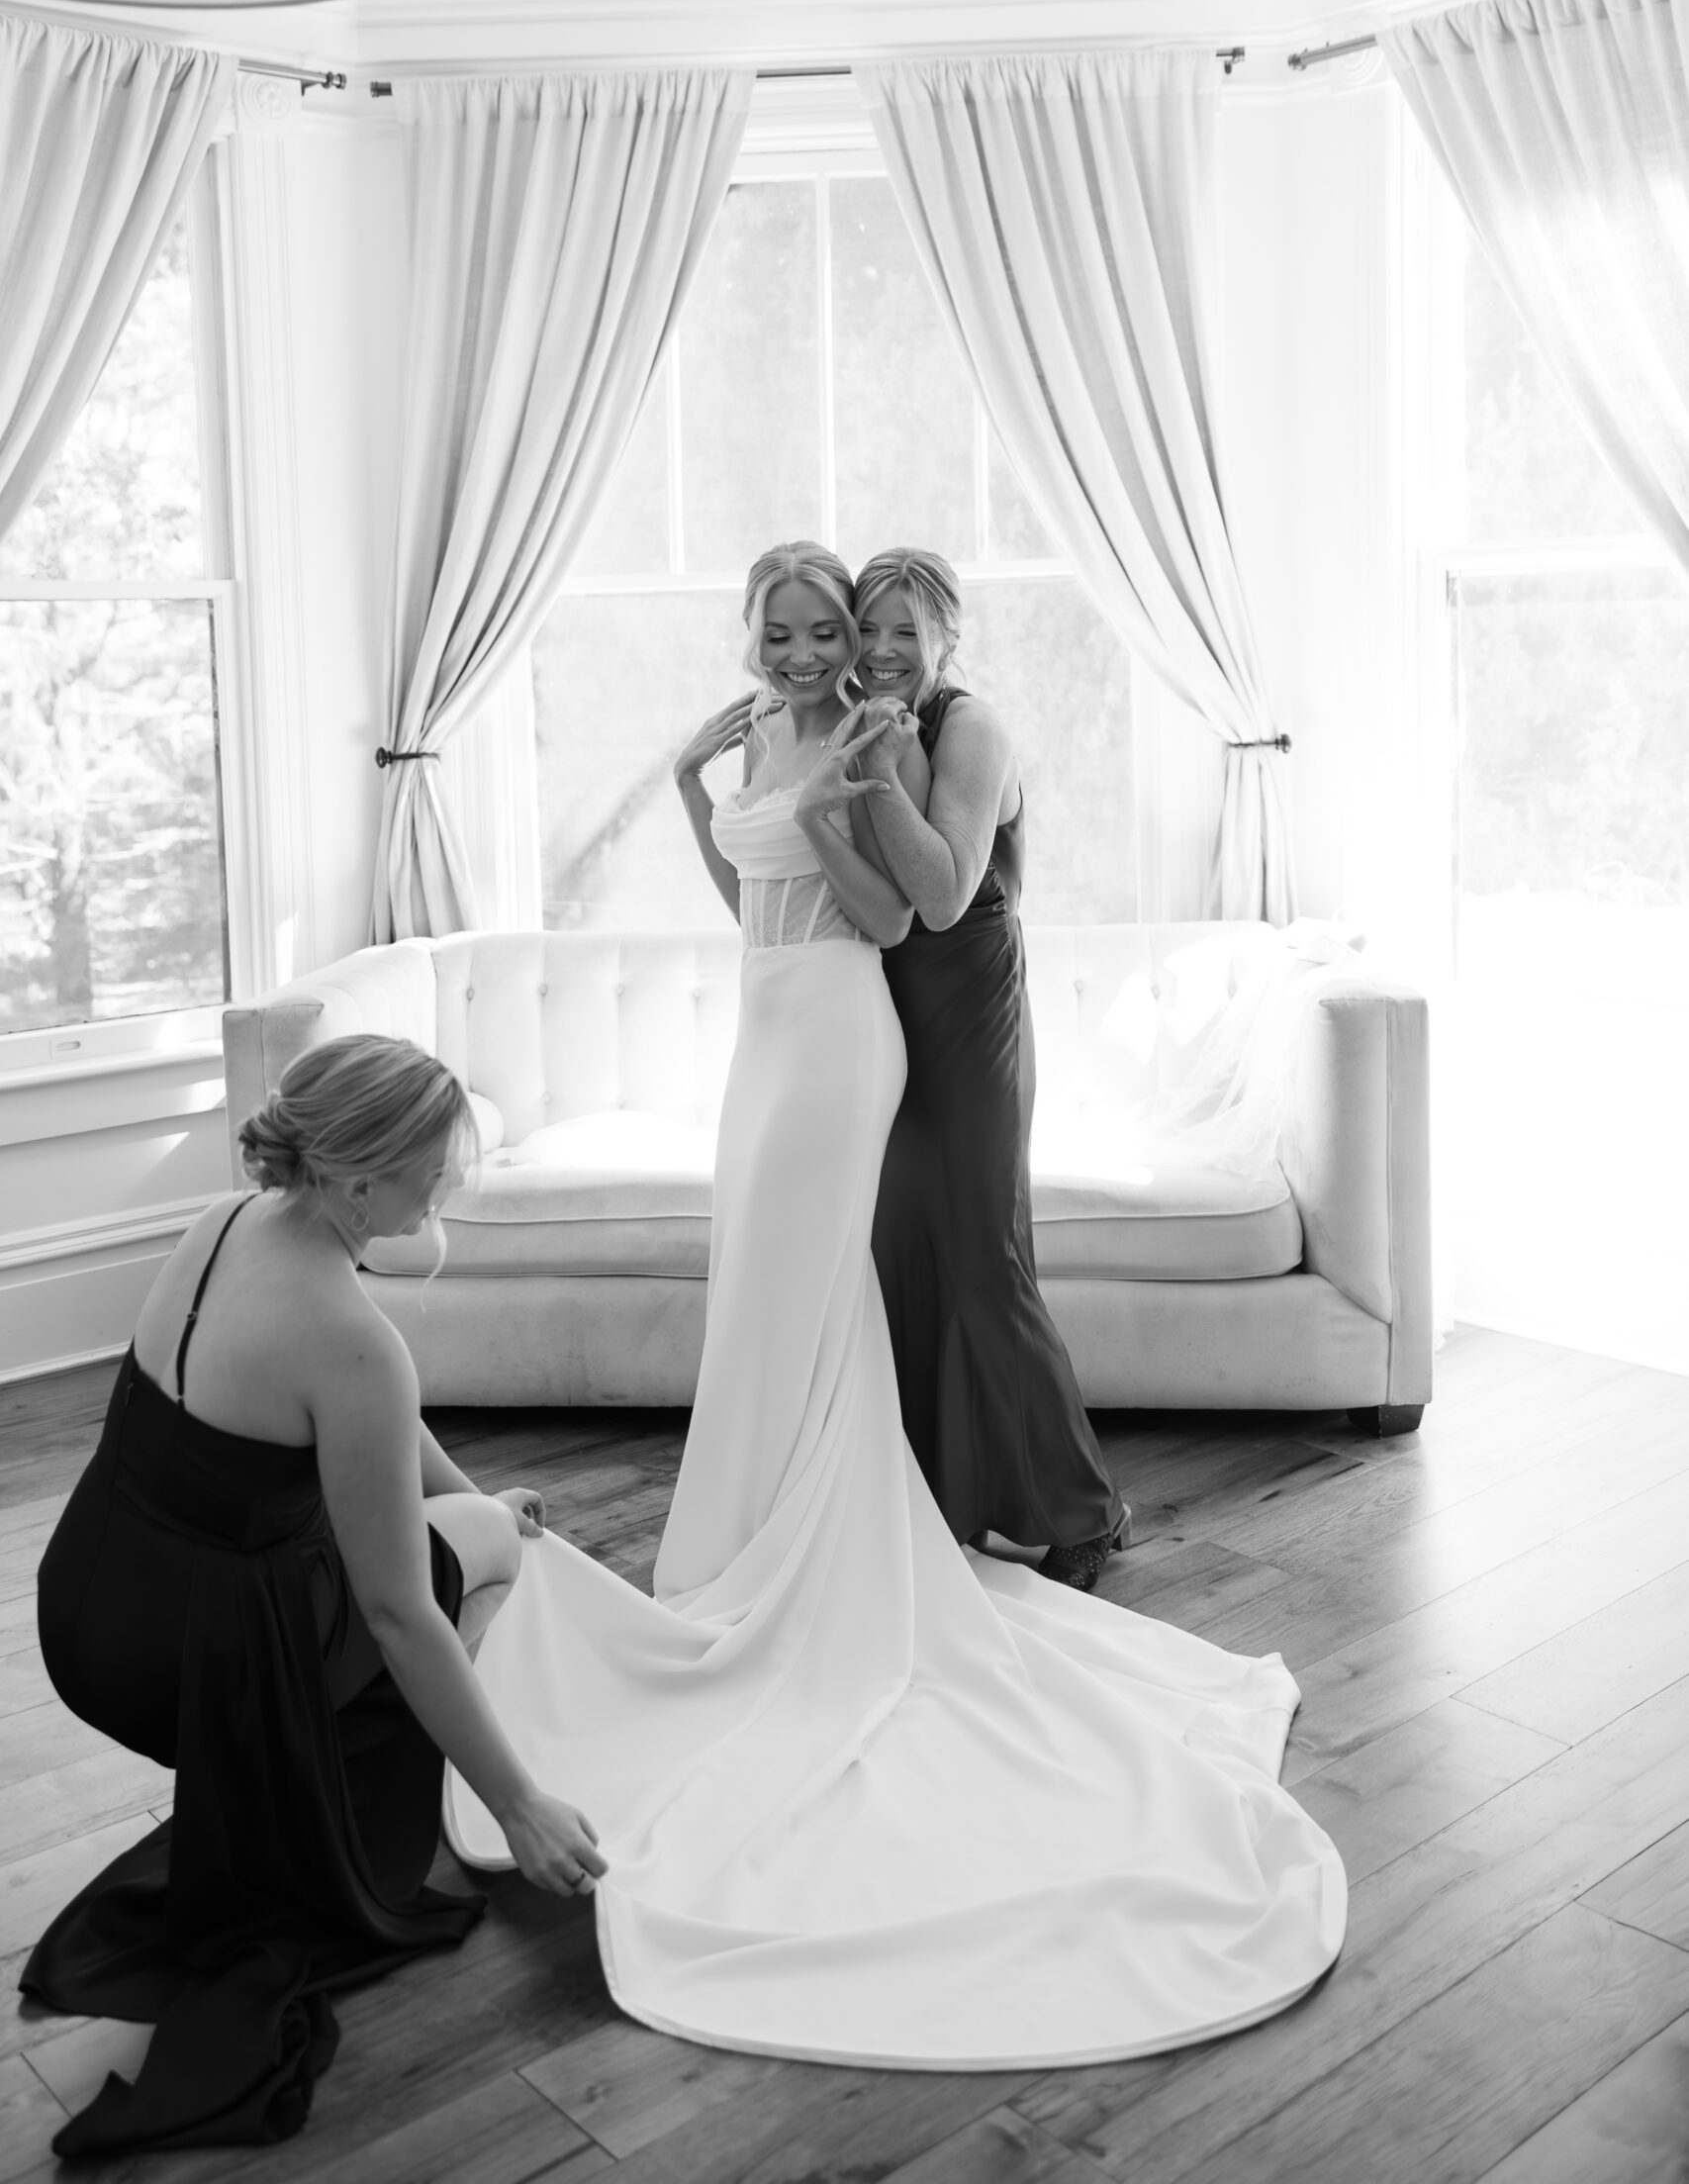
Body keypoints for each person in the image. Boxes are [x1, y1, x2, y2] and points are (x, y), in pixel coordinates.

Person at [443, 539, 1346, 2069]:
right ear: (754, 637)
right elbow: (750, 895)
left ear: (930, 632)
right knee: (791, 1299)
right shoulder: (795, 731)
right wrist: (688, 785)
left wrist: (858, 788)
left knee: (882, 1275)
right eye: (803, 628)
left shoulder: (922, 734)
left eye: (853, 627)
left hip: (872, 1021)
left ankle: (944, 1524)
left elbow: (896, 917)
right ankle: (769, 1533)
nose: (826, 647)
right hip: (770, 1037)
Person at [23, 1036, 605, 2159]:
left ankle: (360, 1754)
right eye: (432, 1168)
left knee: (473, 1519)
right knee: (483, 1557)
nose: (445, 1187)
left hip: (87, 1606)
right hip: (195, 1669)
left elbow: (378, 1421)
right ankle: (424, 1786)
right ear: (354, 1180)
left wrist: (472, 1493)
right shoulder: (351, 1339)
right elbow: (397, 1609)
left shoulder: (224, 1225)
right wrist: (526, 1804)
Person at [851, 546, 1126, 1590]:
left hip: (968, 1024)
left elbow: (942, 894)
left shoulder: (973, 727)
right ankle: (938, 1497)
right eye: (865, 627)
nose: (882, 649)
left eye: (904, 631)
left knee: (981, 1259)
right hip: (884, 1026)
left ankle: (1086, 1507)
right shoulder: (865, 723)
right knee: (900, 1254)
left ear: (946, 639)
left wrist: (874, 769)